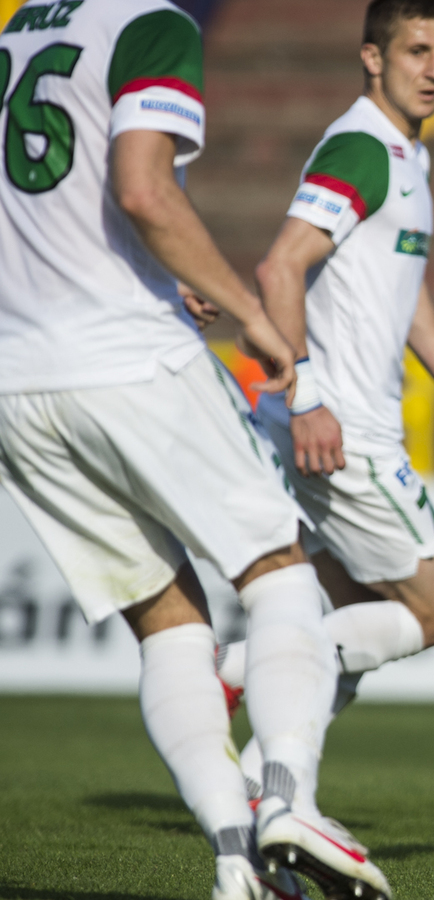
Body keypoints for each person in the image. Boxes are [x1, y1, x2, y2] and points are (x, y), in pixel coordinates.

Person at [0, 1, 388, 898]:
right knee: (280, 574)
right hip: (126, 359)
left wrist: (152, 273)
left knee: (166, 619)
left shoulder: (16, 31)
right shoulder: (151, 24)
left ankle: (236, 858)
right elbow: (144, 188)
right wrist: (251, 314)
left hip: (16, 379)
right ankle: (287, 797)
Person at [201, 0, 434, 796]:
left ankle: (266, 785)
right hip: (343, 433)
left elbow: (404, 287)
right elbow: (280, 267)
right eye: (416, 51)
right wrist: (306, 396)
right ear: (373, 57)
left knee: (358, 619)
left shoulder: (407, 154)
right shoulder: (363, 147)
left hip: (329, 426)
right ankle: (228, 669)